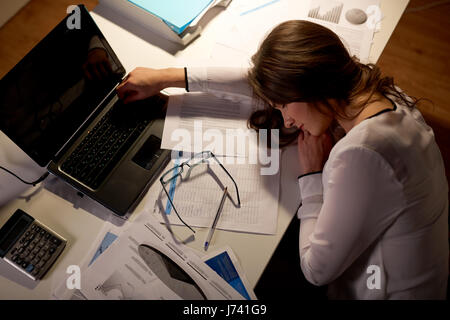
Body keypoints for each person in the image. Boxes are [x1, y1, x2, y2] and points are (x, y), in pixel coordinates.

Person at [116, 20, 449, 299]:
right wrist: (169, 77)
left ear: (307, 85)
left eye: (284, 106)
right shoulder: (378, 92)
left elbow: (316, 270)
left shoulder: (363, 154)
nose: (287, 119)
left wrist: (312, 176)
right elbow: (269, 84)